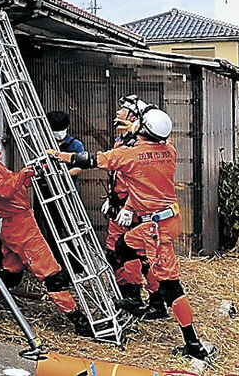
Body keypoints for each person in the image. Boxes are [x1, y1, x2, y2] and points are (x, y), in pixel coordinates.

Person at [50, 107, 214, 360]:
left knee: (173, 287)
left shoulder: (131, 155)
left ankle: (193, 344)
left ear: (142, 130)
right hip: (166, 219)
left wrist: (57, 155)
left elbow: (91, 160)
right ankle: (135, 297)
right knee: (123, 248)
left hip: (155, 229)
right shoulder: (169, 151)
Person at [0, 122, 92, 337]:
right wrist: (23, 173)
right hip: (22, 228)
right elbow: (4, 190)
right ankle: (80, 322)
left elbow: (12, 185)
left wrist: (30, 174)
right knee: (52, 275)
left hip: (15, 226)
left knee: (11, 275)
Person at [104, 96, 166, 320]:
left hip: (133, 209)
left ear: (134, 118)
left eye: (123, 110)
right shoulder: (121, 141)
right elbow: (117, 173)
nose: (118, 113)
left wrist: (129, 207)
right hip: (117, 206)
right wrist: (111, 199)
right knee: (115, 254)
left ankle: (151, 301)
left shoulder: (140, 145)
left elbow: (142, 179)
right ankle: (130, 298)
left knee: (138, 256)